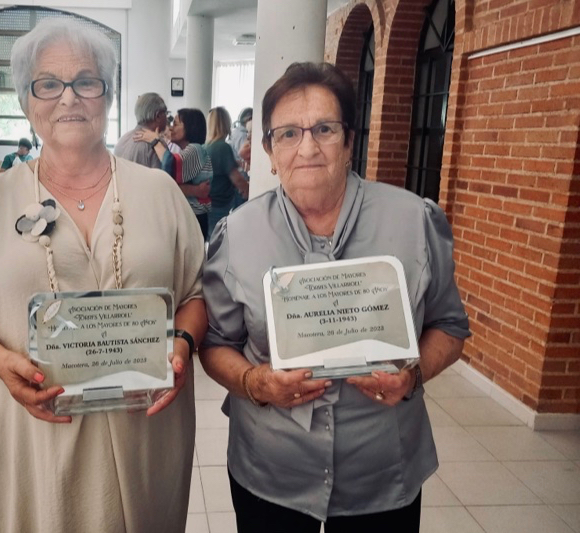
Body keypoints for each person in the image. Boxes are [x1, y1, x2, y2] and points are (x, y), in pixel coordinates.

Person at [0, 19, 207, 532]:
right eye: (48, 83)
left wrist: (183, 342)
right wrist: (1, 361)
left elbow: (194, 293)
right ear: (27, 102)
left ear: (107, 94)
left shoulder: (159, 193)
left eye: (87, 81)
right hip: (35, 441)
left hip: (145, 434)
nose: (69, 97)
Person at [200, 62, 470, 532]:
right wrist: (257, 382)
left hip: (382, 470)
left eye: (324, 129)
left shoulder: (413, 220)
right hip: (272, 468)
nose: (306, 147)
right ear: (267, 150)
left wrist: (413, 375)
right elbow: (216, 344)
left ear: (349, 140)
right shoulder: (237, 234)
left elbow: (449, 326)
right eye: (287, 134)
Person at [134, 108, 213, 237]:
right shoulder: (190, 150)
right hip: (190, 217)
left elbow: (170, 168)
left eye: (176, 124)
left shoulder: (195, 149)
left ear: (190, 127)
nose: (171, 128)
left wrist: (155, 141)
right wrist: (195, 190)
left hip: (193, 218)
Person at [205, 107, 249, 238]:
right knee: (218, 243)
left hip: (209, 203)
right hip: (219, 205)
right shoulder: (222, 147)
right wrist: (250, 190)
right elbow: (237, 179)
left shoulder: (208, 146)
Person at [114, 92, 169, 168]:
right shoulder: (156, 145)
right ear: (158, 116)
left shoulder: (121, 140)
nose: (167, 118)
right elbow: (164, 178)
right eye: (166, 113)